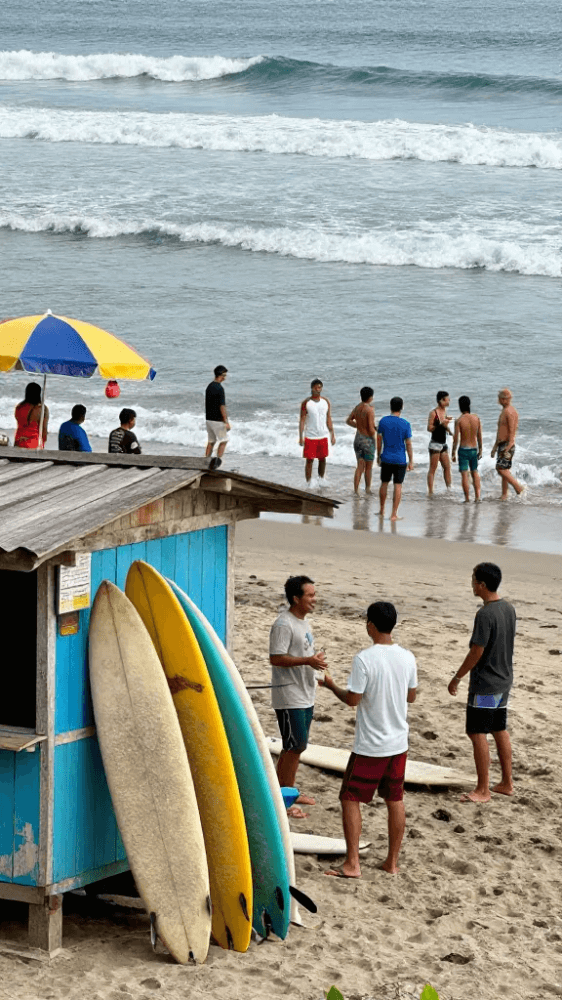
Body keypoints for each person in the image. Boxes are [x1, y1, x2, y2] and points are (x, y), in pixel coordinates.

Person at [320, 601, 417, 877]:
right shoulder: (407, 657)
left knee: (350, 797)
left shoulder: (364, 658)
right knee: (395, 798)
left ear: (370, 625)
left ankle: (352, 864)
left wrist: (330, 685)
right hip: (399, 742)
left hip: (372, 745)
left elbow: (352, 700)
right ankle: (392, 862)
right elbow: (411, 695)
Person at [448, 562, 515, 803]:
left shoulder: (485, 614)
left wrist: (457, 677)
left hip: (486, 685)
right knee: (499, 728)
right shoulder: (508, 608)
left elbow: (476, 651)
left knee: (477, 732)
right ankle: (507, 783)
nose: (471, 583)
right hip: (505, 681)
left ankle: (483, 790)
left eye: (473, 579)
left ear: (482, 585)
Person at [269, 576, 328, 819]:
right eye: (310, 595)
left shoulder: (303, 623)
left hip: (306, 693)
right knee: (293, 746)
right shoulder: (284, 624)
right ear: (296, 598)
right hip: (289, 695)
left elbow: (304, 654)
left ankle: (290, 791)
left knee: (298, 747)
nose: (315, 599)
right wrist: (308, 661)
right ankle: (281, 799)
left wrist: (315, 666)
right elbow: (276, 657)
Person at [376, 397, 414, 521]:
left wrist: (378, 455)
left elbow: (379, 440)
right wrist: (411, 460)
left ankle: (381, 510)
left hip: (386, 457)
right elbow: (408, 444)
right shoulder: (405, 424)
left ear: (390, 406)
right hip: (400, 459)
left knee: (384, 483)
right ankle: (393, 514)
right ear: (401, 407)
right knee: (398, 485)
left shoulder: (383, 421)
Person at [299, 379, 336, 487]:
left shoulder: (325, 402)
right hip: (310, 435)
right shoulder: (306, 403)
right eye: (315, 387)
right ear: (311, 388)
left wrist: (332, 434)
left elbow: (328, 418)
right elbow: (302, 420)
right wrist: (301, 436)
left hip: (323, 435)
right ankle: (309, 483)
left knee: (322, 459)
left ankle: (321, 480)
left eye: (319, 387)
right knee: (309, 460)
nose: (317, 389)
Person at [491, 388, 525, 499]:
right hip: (502, 444)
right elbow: (501, 430)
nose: (498, 401)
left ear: (505, 399)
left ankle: (518, 487)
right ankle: (504, 494)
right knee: (504, 469)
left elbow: (512, 429)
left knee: (500, 469)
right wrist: (495, 446)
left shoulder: (509, 411)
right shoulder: (506, 410)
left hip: (507, 444)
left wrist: (510, 443)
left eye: (500, 398)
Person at [452, 396, 482, 502]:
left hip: (463, 450)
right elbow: (479, 436)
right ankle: (478, 497)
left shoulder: (459, 420)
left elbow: (456, 439)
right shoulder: (476, 418)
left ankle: (467, 498)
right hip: (474, 449)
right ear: (469, 405)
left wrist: (453, 452)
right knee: (475, 472)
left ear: (460, 406)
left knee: (464, 474)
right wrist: (481, 450)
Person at [346, 386, 376, 495]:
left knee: (359, 466)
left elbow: (348, 420)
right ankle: (367, 489)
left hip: (358, 438)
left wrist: (358, 426)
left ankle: (356, 490)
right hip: (367, 440)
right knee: (368, 467)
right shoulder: (370, 409)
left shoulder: (357, 407)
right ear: (370, 397)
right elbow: (371, 429)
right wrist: (376, 435)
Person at [427, 390, 453, 494]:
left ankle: (449, 489)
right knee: (433, 469)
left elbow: (444, 426)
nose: (449, 401)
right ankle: (430, 492)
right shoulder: (434, 413)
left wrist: (450, 431)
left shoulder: (445, 412)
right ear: (441, 400)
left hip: (443, 443)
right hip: (435, 444)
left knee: (447, 467)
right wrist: (441, 424)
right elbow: (429, 428)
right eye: (447, 399)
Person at [205, 365, 230, 470]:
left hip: (209, 419)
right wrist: (226, 421)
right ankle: (218, 462)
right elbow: (222, 406)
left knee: (211, 441)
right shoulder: (220, 388)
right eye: (224, 375)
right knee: (224, 440)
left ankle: (205, 461)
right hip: (217, 420)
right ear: (220, 375)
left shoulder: (209, 386)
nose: (225, 377)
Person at [14, 382, 49, 449]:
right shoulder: (42, 409)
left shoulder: (19, 407)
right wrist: (42, 443)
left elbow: (19, 422)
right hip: (34, 443)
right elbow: (44, 430)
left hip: (19, 441)